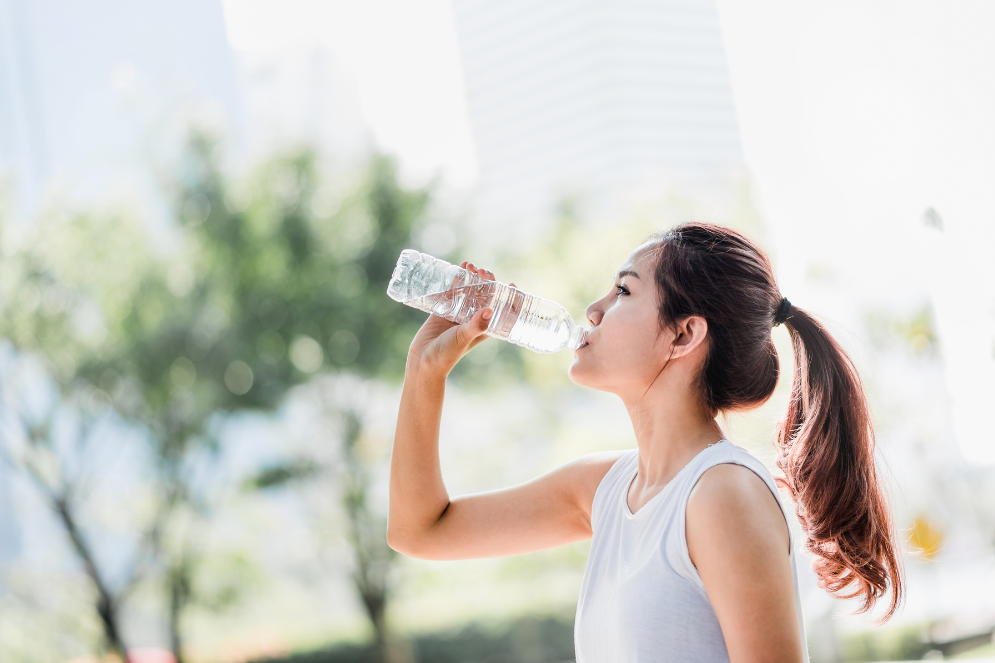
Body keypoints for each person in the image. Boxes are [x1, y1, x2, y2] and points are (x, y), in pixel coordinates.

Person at [387, 222, 904, 663]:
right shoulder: (604, 490)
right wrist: (424, 372)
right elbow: (420, 531)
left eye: (624, 292)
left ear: (683, 335)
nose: (593, 309)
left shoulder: (722, 495)